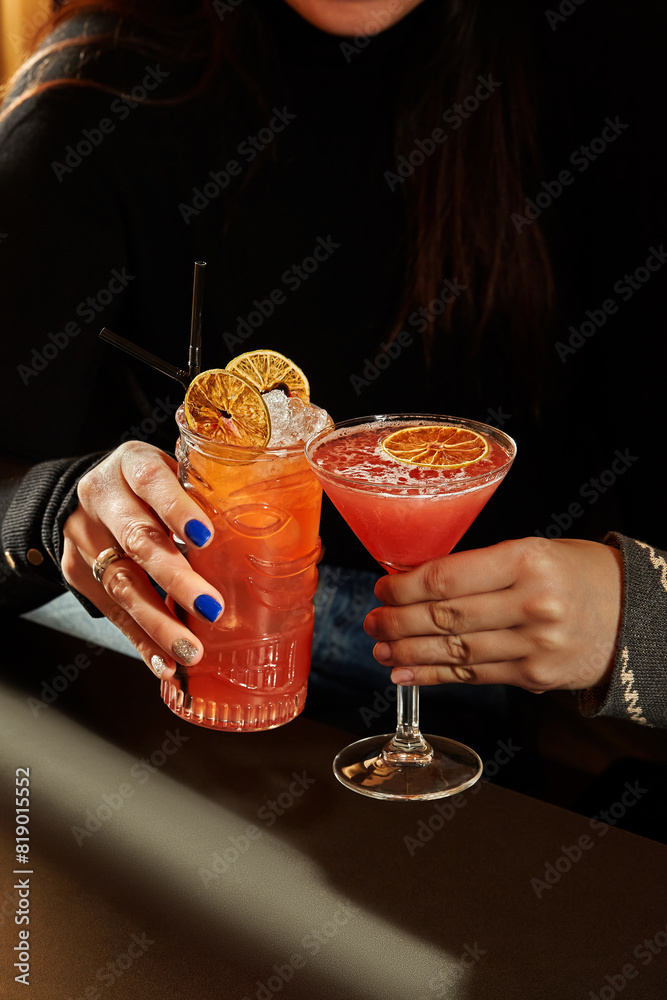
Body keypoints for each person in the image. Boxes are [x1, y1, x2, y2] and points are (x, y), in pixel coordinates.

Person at [0, 0, 665, 734]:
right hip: (214, 705)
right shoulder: (95, 94)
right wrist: (52, 508)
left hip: (567, 739)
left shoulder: (617, 61)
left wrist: (641, 624)